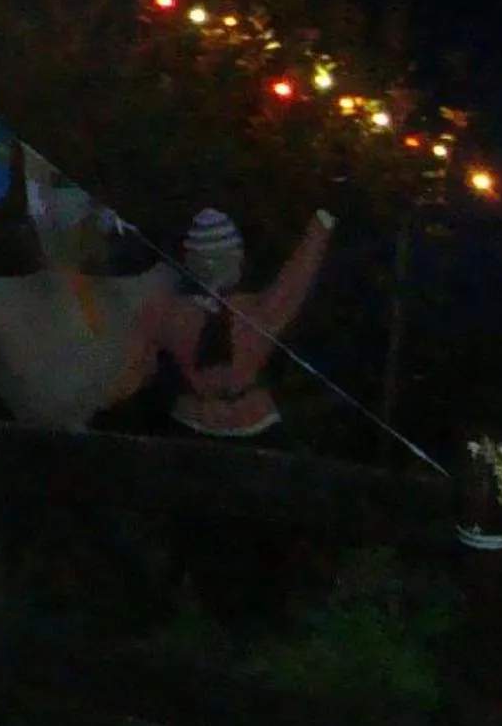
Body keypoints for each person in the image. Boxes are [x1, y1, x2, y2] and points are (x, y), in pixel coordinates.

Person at [114, 205, 337, 627]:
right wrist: (324, 220)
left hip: (192, 429)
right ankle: (248, 626)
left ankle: (198, 621)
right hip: (252, 435)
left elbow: (130, 379)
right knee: (264, 536)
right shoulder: (260, 310)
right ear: (235, 262)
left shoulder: (162, 312)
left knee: (201, 534)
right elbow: (301, 270)